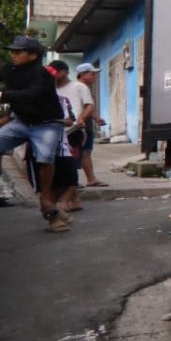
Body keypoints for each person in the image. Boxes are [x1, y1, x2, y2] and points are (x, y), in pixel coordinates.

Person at [0, 36, 73, 232]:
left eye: (18, 52)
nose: (13, 55)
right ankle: (52, 209)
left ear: (33, 55)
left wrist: (2, 95)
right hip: (22, 122)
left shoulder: (43, 75)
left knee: (44, 158)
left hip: (47, 124)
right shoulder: (8, 70)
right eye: (12, 51)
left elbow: (31, 94)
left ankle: (46, 199)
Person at [48, 60, 85, 211]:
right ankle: (67, 202)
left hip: (67, 138)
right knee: (56, 176)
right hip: (50, 143)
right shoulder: (45, 95)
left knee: (70, 173)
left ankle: (67, 202)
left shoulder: (65, 97)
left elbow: (70, 120)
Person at [73, 62, 108, 187]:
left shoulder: (83, 87)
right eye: (92, 74)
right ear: (82, 74)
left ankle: (90, 179)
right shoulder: (79, 87)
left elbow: (87, 106)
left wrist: (96, 118)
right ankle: (73, 181)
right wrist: (81, 119)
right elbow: (84, 107)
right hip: (80, 125)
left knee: (85, 152)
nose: (95, 77)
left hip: (84, 124)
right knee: (77, 152)